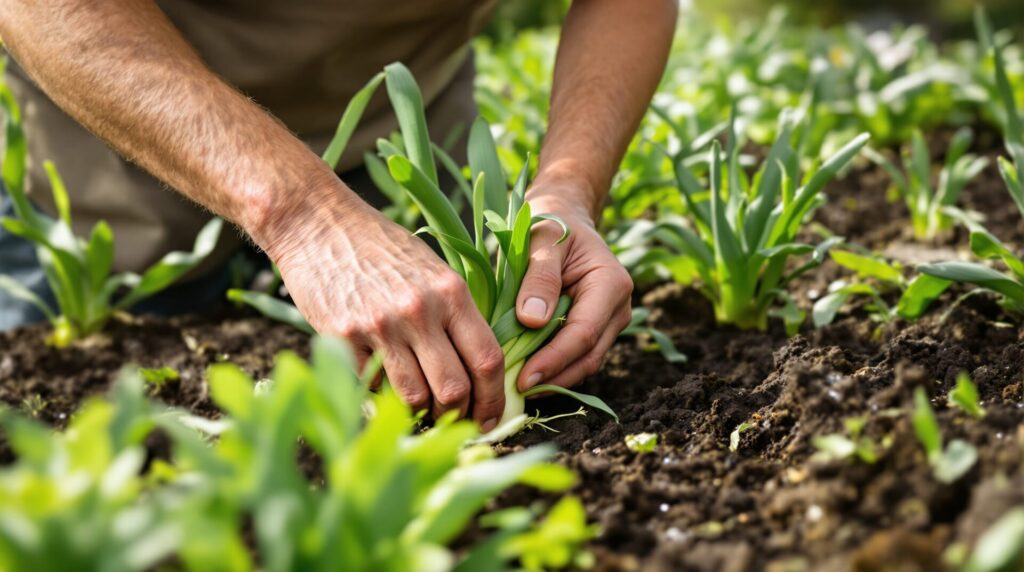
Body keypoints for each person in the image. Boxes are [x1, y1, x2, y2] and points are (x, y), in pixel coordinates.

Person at [0, 0, 677, 431]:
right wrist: (302, 215)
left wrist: (567, 187)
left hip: (401, 133)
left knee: (435, 348)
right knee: (79, 401)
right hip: (133, 141)